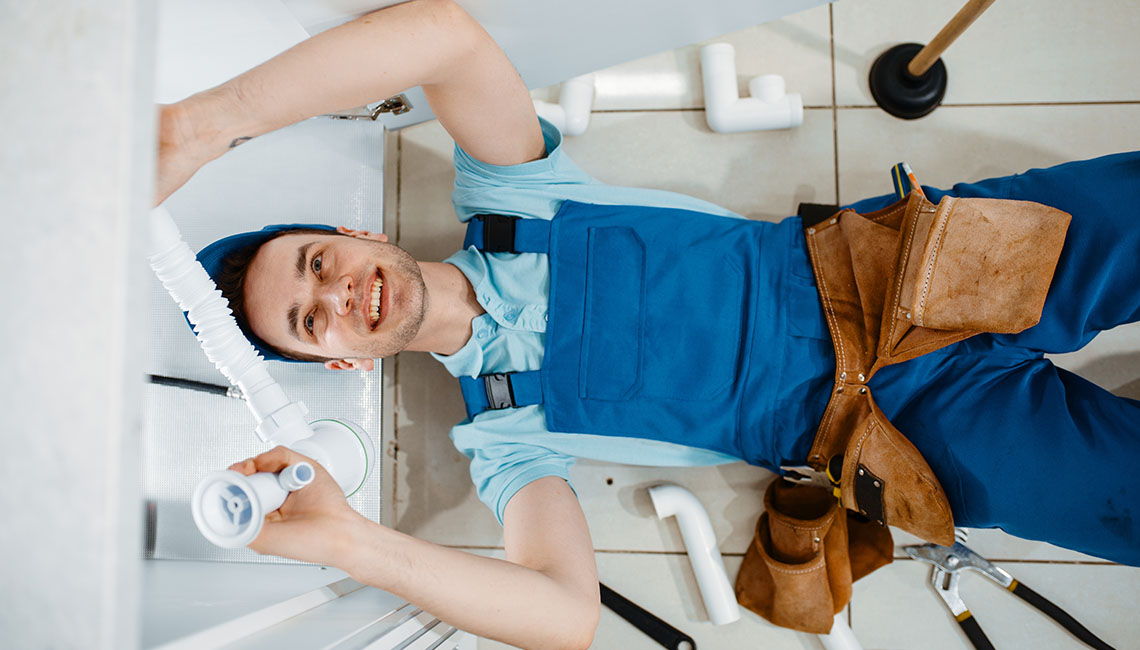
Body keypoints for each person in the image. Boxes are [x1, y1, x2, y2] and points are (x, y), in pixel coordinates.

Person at [156, 1, 1140, 647]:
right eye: (308, 320)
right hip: (905, 428)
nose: (336, 295)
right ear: (340, 363)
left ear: (355, 233)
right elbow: (563, 612)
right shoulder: (503, 431)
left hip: (908, 269)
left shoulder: (513, 192)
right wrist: (347, 543)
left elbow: (444, 37)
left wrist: (204, 125)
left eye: (318, 263)